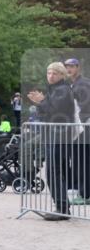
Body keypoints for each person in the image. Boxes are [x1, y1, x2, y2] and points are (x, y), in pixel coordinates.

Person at [28, 62, 77, 220]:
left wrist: (42, 102)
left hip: (59, 137)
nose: (51, 76)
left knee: (54, 172)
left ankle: (62, 209)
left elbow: (56, 111)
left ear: (62, 75)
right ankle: (63, 207)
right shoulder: (55, 90)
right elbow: (46, 113)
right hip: (54, 135)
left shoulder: (62, 90)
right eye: (49, 73)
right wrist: (41, 104)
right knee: (56, 171)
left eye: (55, 73)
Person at [65, 58, 90, 203]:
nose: (69, 69)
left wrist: (82, 121)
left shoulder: (83, 83)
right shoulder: (74, 84)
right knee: (81, 161)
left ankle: (84, 195)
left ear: (78, 68)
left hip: (84, 127)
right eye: (67, 66)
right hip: (80, 127)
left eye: (72, 66)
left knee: (81, 161)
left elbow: (85, 106)